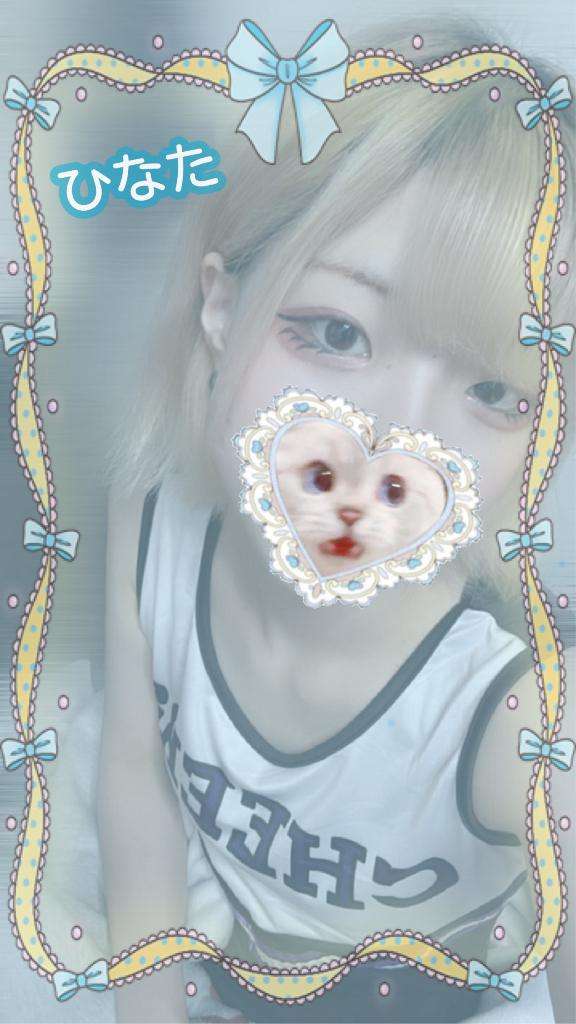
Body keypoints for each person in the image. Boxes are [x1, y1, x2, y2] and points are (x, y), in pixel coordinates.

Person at [98, 13, 575, 1023]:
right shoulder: (152, 532)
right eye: (336, 331)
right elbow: (136, 776)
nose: (395, 442)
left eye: (496, 392)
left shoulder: (515, 713)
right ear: (221, 306)